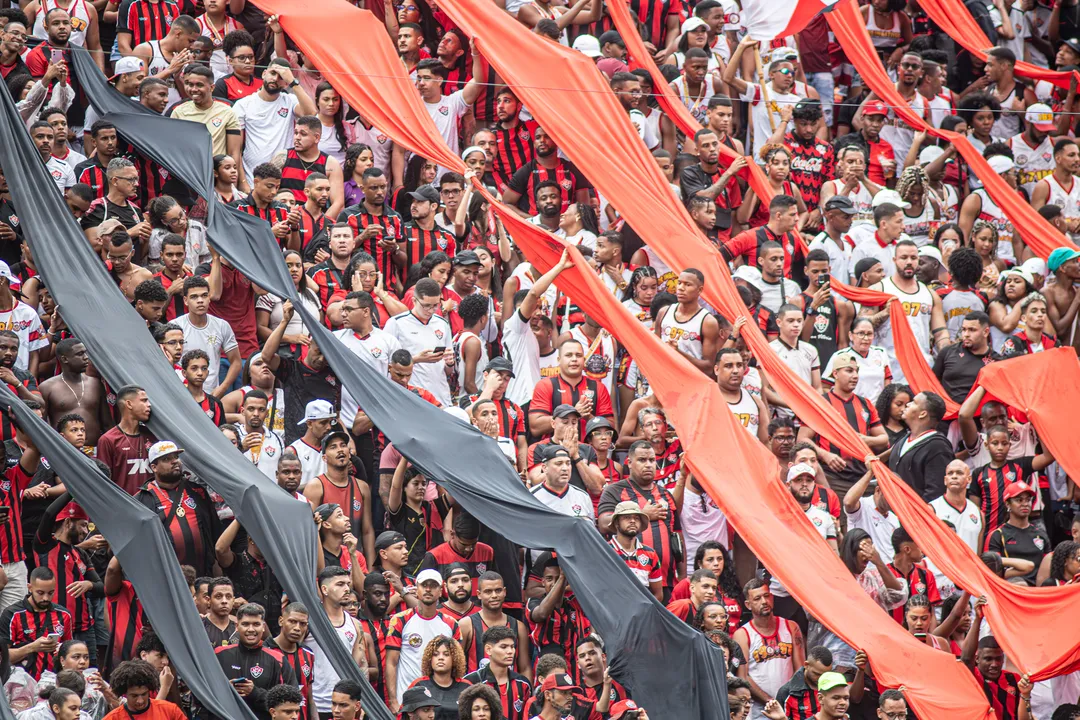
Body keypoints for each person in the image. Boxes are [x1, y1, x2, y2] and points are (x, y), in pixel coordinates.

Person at [32, 497, 102, 664]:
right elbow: (49, 514)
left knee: (90, 676)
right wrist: (70, 489)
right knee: (54, 676)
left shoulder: (80, 553)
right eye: (83, 525)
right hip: (54, 627)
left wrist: (89, 584)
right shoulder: (46, 545)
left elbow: (102, 587)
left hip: (84, 629)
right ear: (69, 522)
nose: (86, 531)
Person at [135, 441, 218, 576]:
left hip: (203, 576)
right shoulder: (142, 499)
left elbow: (214, 531)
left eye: (176, 457)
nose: (175, 462)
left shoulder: (197, 491)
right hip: (166, 577)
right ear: (154, 467)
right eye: (167, 459)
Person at [384, 569, 460, 712]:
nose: (428, 589)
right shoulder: (400, 620)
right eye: (424, 585)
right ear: (416, 589)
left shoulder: (452, 624)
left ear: (441, 590)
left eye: (433, 585)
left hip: (441, 701)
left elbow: (457, 665)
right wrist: (393, 700)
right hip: (406, 700)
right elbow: (391, 662)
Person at [233, 58, 316, 184]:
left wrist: (293, 82)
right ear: (264, 73)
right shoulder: (243, 105)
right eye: (272, 73)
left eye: (281, 77)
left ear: (286, 83)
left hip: (285, 179)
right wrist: (243, 182)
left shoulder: (289, 100)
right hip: (252, 178)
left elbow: (311, 113)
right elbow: (235, 149)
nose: (276, 79)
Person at [733, 579, 804, 720]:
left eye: (766, 596)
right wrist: (769, 701)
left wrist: (787, 698)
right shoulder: (742, 634)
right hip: (758, 710)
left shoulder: (791, 627)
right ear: (748, 605)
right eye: (757, 598)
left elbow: (800, 670)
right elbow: (743, 677)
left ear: (772, 597)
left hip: (789, 705)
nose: (764, 601)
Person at [214, 603, 297, 720]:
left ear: (263, 627)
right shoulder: (219, 654)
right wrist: (226, 690)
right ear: (237, 626)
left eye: (256, 624)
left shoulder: (278, 659)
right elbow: (206, 690)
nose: (251, 629)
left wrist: (254, 693)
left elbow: (292, 701)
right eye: (245, 624)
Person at [307, 567, 369, 720]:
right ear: (324, 589)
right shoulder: (310, 622)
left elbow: (360, 666)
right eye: (340, 584)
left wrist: (363, 703)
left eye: (348, 584)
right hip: (315, 703)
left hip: (345, 706)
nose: (347, 589)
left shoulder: (355, 625)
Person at [0, 566, 72, 680]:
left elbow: (70, 652)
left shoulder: (64, 615)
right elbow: (2, 657)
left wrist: (61, 650)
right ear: (29, 588)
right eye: (40, 592)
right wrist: (31, 648)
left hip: (55, 682)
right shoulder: (12, 614)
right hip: (19, 682)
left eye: (50, 593)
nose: (46, 598)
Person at [175, 276, 241, 397]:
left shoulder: (221, 325)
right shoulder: (175, 326)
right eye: (194, 297)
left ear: (209, 298)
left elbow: (236, 361)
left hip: (212, 394)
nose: (200, 300)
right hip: (182, 395)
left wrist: (222, 388)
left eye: (204, 295)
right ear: (185, 300)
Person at [37, 338, 108, 449]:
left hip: (94, 450)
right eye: (80, 354)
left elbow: (107, 423)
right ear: (65, 359)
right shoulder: (47, 387)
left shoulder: (95, 384)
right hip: (63, 451)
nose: (86, 357)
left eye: (85, 353)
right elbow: (42, 425)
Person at [654, 268, 724, 376]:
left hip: (691, 382)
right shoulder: (663, 313)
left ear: (700, 290)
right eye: (679, 283)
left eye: (687, 285)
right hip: (663, 378)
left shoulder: (707, 322)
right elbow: (654, 350)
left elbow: (709, 368)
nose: (681, 288)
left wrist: (678, 353)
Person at [961, 617, 1033, 720]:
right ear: (977, 659)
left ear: (1003, 659)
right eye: (988, 659)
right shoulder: (972, 678)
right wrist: (978, 619)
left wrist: (1026, 694)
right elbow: (967, 659)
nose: (994, 664)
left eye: (998, 659)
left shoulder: (1013, 679)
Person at [887, 391, 953, 501]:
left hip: (914, 515)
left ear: (923, 414)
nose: (908, 404)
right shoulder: (903, 440)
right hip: (893, 514)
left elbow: (935, 492)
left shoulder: (938, 446)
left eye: (914, 402)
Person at [462, 625, 532, 720]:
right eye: (504, 647)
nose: (510, 651)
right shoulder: (471, 682)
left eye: (512, 647)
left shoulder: (523, 683)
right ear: (488, 649)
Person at [987, 482, 1051, 585]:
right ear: (1008, 504)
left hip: (1037, 593)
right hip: (1010, 590)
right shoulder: (998, 535)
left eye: (1028, 500)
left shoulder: (1041, 535)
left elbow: (1047, 569)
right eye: (1019, 500)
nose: (1025, 504)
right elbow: (991, 570)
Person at [96, 385, 154, 495]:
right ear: (129, 404)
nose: (149, 405)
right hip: (125, 506)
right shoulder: (108, 440)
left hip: (154, 505)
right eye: (144, 400)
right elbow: (104, 481)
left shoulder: (153, 436)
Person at [266, 603, 315, 717]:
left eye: (302, 624)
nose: (297, 628)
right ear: (281, 621)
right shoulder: (265, 652)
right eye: (292, 621)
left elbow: (309, 697)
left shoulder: (308, 654)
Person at [843, 469, 901, 563]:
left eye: (896, 494)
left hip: (886, 573)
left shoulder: (894, 519)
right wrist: (871, 472)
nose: (893, 499)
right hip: (863, 571)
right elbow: (848, 502)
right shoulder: (862, 505)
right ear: (878, 490)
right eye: (890, 494)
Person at [102, 660, 185, 720]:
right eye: (134, 696)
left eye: (144, 694)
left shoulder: (170, 710)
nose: (140, 701)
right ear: (125, 694)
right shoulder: (113, 718)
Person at [930, 460, 984, 553]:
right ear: (945, 480)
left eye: (959, 473)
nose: (954, 476)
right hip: (939, 567)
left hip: (969, 567)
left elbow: (978, 555)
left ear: (969, 479)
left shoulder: (978, 513)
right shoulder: (932, 509)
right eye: (950, 473)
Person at [774, 647, 834, 720]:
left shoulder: (833, 687)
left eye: (825, 675)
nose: (821, 679)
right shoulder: (787, 692)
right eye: (817, 674)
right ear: (806, 665)